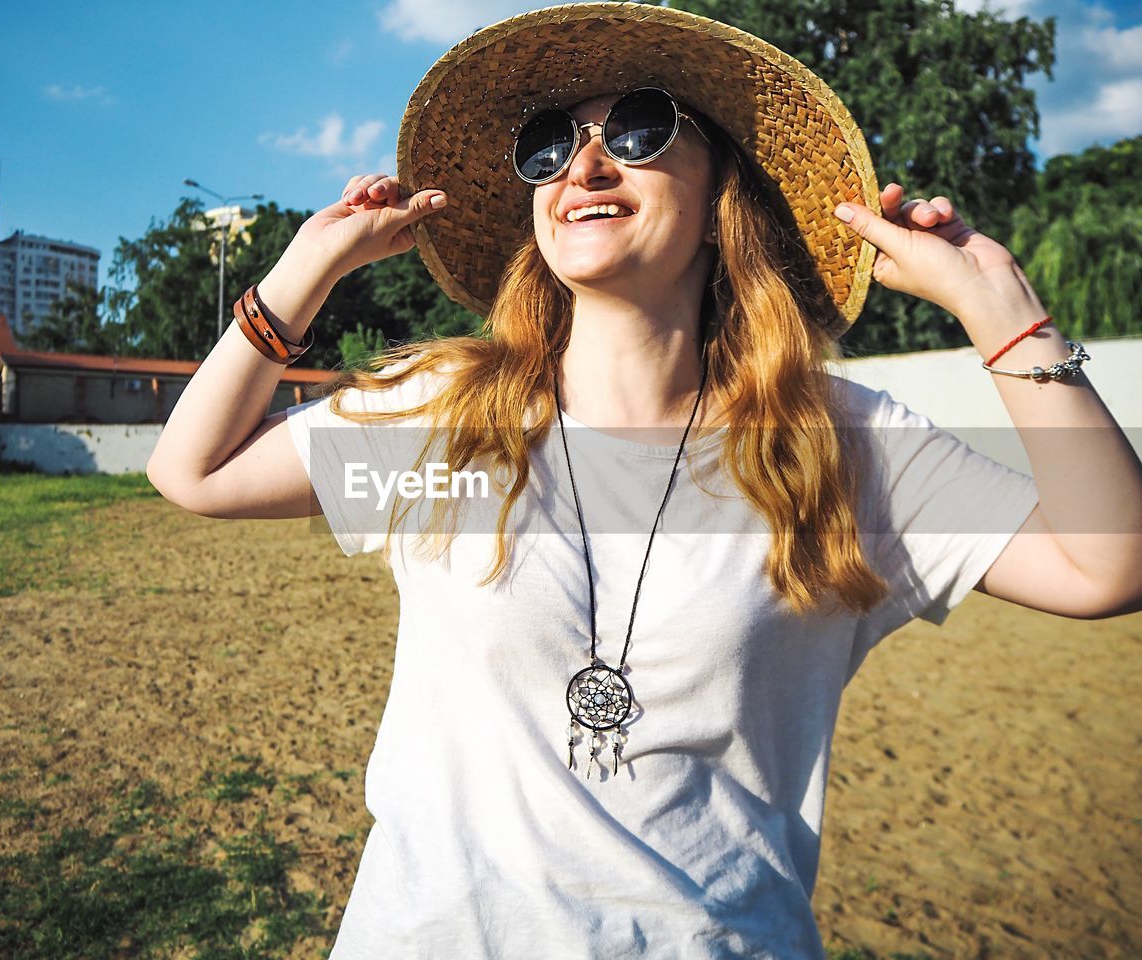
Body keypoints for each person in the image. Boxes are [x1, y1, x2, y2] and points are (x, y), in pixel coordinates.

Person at [147, 5, 1141, 957]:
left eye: (637, 128)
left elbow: (1105, 570)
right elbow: (194, 471)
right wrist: (296, 280)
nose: (581, 163)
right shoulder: (446, 417)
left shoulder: (834, 445)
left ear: (720, 202)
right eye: (547, 144)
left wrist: (1003, 315)